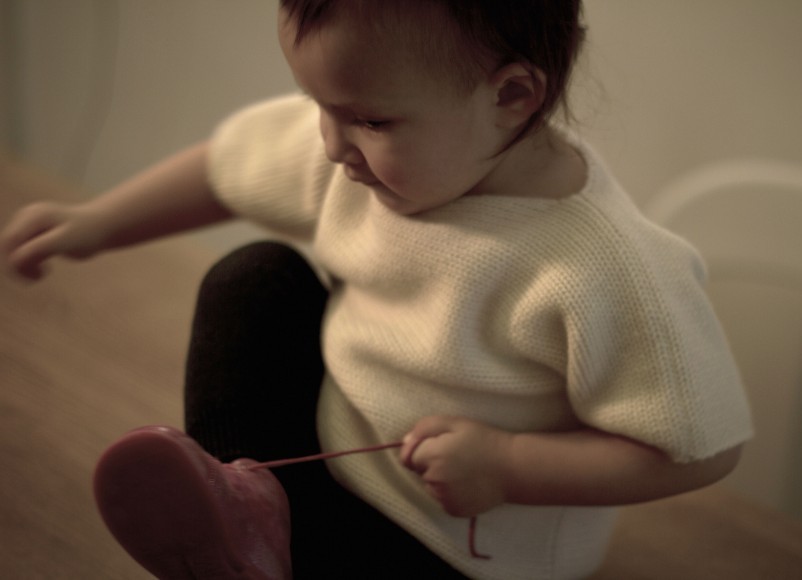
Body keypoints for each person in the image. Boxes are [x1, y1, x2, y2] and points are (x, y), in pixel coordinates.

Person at [1, 1, 752, 578]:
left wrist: (512, 463)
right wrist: (95, 222)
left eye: (366, 119)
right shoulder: (368, 145)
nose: (331, 146)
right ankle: (244, 515)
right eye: (318, 106)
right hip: (318, 457)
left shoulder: (606, 268)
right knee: (254, 277)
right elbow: (225, 166)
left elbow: (700, 449)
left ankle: (262, 549)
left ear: (513, 94)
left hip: (443, 543)